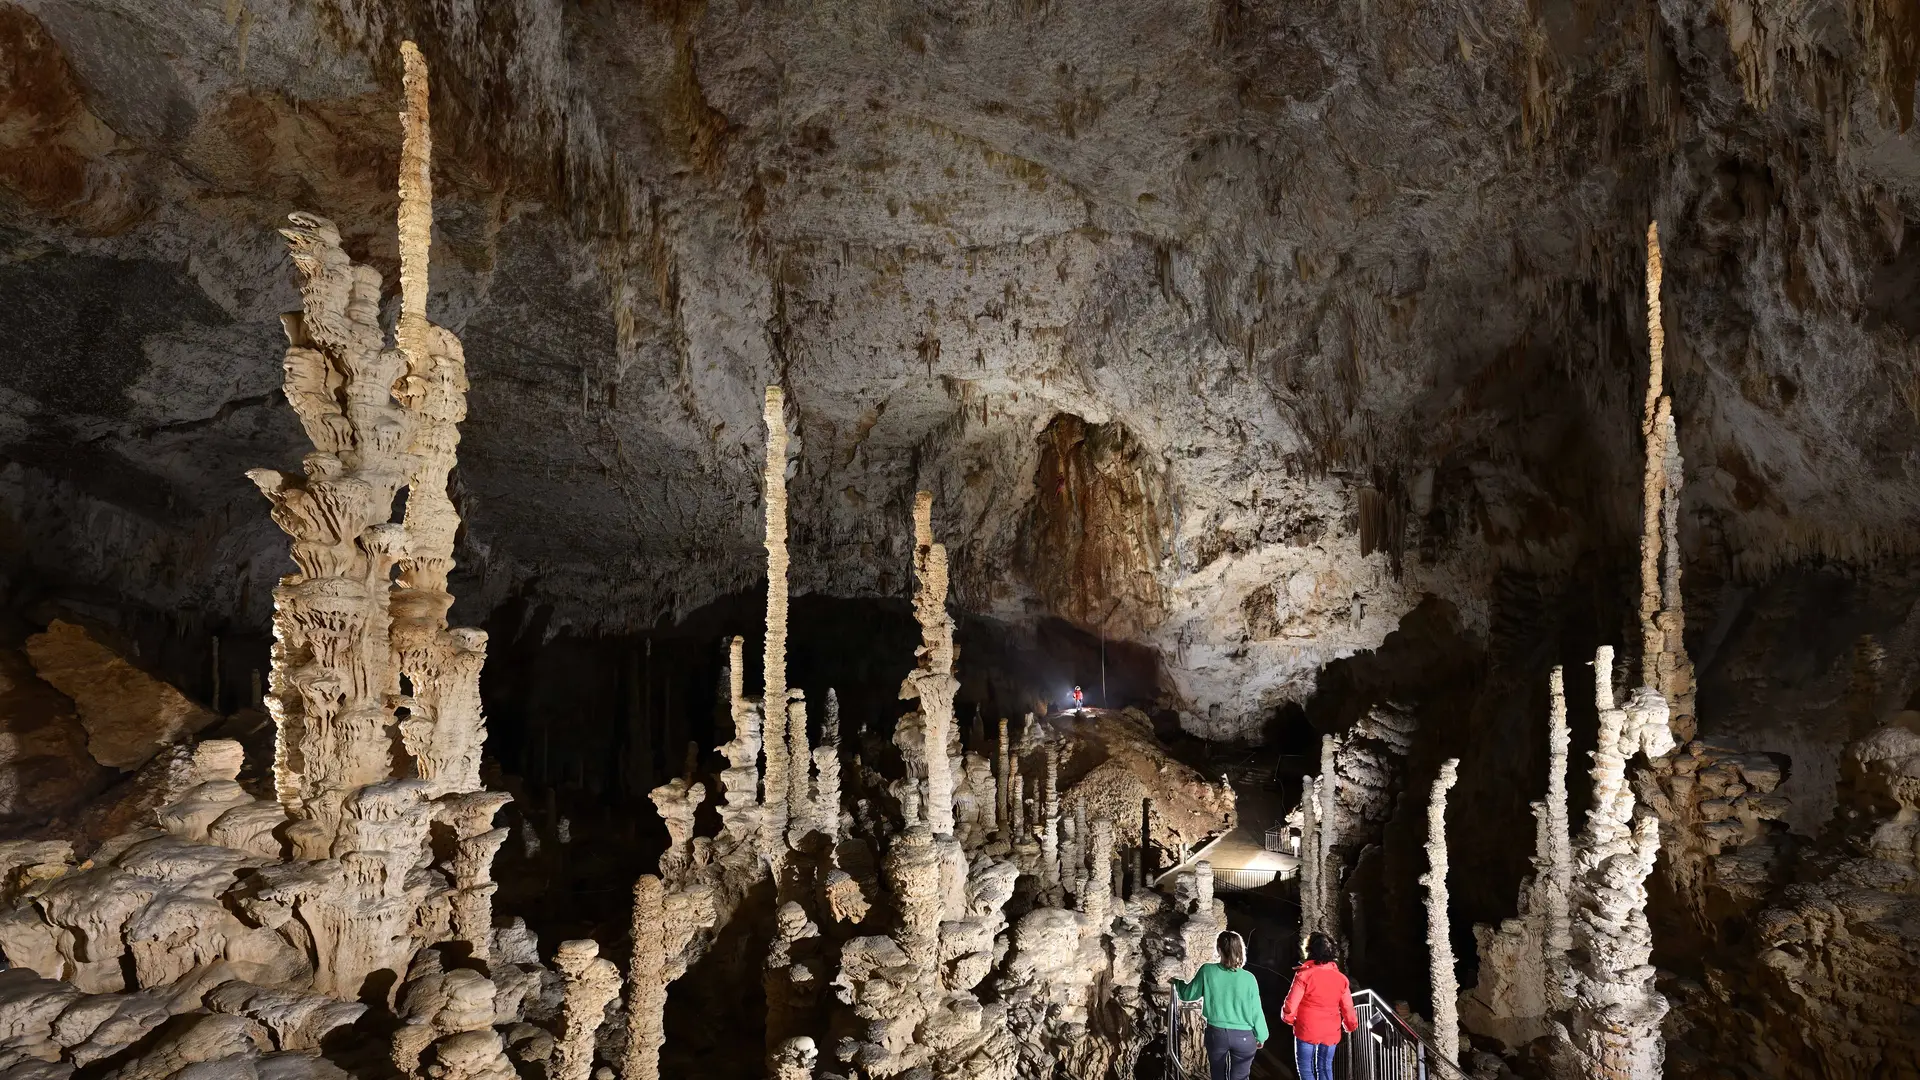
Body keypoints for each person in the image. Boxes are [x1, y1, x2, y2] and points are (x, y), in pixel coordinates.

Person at [1173, 930, 1268, 1080]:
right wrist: (1261, 1035)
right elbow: (1256, 1010)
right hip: (1244, 1036)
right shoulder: (1249, 978)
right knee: (1241, 1077)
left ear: (1218, 950)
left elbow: (1188, 995)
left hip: (1217, 1034)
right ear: (1240, 950)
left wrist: (1177, 982)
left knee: (1218, 1075)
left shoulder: (1208, 971)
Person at [1281, 932, 1358, 1080]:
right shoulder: (1341, 979)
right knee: (1325, 1068)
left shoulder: (1304, 975)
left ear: (1309, 950)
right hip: (1331, 1031)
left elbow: (1291, 1003)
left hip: (1306, 1029)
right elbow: (1348, 1007)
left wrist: (1288, 1018)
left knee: (1305, 1069)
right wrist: (1350, 1025)